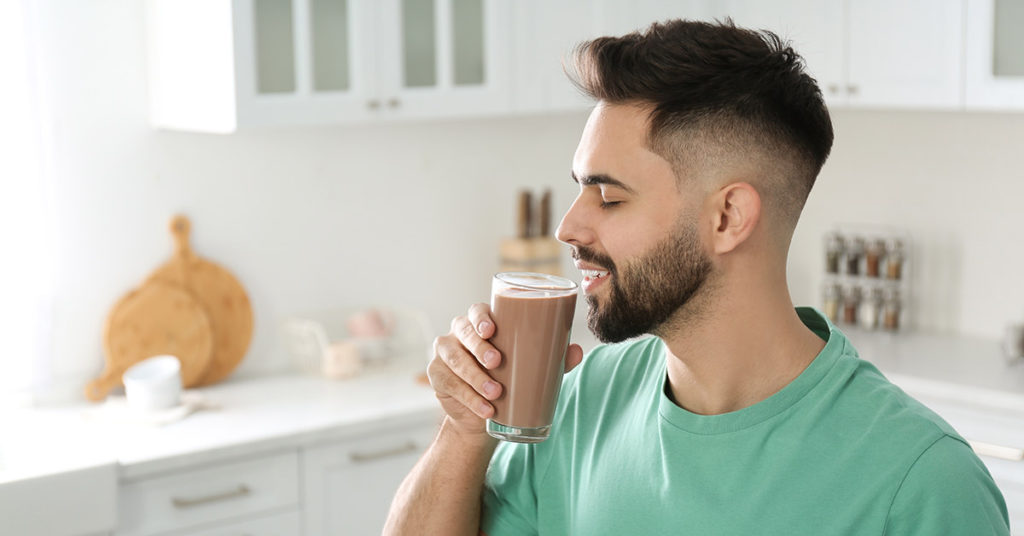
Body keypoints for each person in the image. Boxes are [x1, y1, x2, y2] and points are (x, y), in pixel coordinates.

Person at [383, 19, 1010, 536]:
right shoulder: (578, 402)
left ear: (728, 216)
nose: (568, 228)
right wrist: (466, 429)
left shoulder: (922, 484)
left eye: (608, 197)